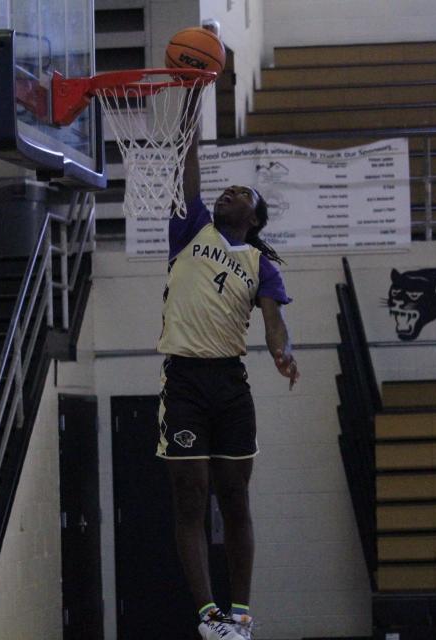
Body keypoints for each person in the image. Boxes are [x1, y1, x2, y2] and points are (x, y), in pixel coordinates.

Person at [155, 65, 300, 640]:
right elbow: (187, 170)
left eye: (241, 193)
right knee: (189, 494)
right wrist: (193, 104)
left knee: (234, 496)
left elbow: (273, 323)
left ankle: (240, 614)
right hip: (185, 381)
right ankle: (207, 615)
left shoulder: (261, 264)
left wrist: (283, 354)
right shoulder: (190, 228)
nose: (228, 192)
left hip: (229, 385)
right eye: (227, 189)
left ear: (255, 217)